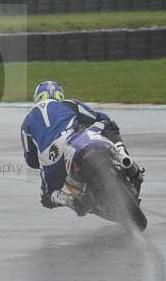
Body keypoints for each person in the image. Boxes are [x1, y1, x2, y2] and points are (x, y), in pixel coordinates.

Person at [20, 80, 144, 215]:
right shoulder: (70, 104)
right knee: (108, 125)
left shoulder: (26, 123)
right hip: (73, 139)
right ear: (59, 95)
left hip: (51, 158)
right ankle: (123, 157)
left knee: (46, 197)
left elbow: (31, 160)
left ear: (37, 97)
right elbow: (100, 117)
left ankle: (69, 200)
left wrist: (45, 165)